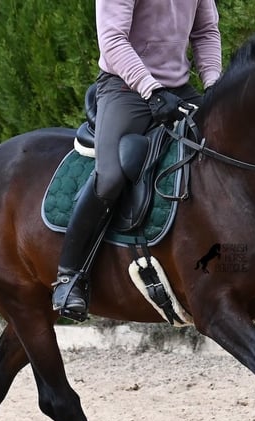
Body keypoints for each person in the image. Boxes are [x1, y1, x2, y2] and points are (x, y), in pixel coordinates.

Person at [52, 0, 223, 322]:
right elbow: (113, 40)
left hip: (180, 90)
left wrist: (214, 84)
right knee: (112, 176)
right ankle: (69, 276)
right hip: (125, 88)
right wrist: (151, 91)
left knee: (224, 153)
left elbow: (205, 32)